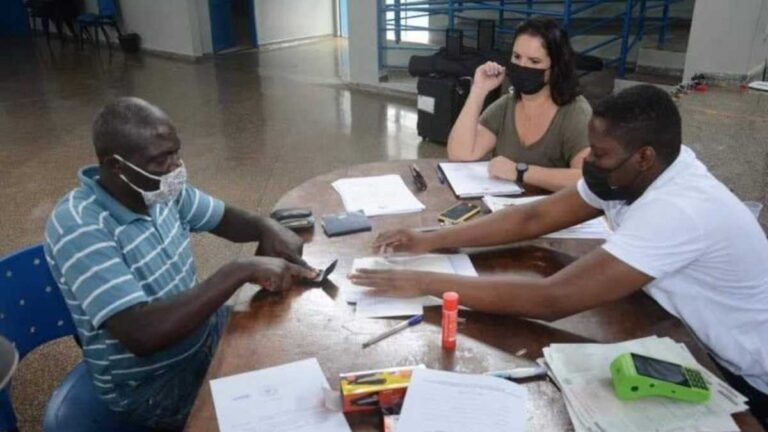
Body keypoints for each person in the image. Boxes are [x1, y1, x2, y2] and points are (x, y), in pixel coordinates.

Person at [351, 84, 768, 427]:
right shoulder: (635, 173)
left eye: (600, 155)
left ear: (644, 157)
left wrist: (426, 283)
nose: (589, 163)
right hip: (686, 330)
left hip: (745, 372)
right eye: (590, 149)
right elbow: (536, 216)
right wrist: (431, 240)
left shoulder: (677, 209)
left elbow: (551, 300)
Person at [44, 97, 318, 430]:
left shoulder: (158, 189)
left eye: (176, 152)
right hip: (151, 384)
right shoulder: (79, 226)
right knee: (279, 415)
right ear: (116, 166)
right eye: (161, 159)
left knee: (297, 360)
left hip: (201, 334)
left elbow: (226, 220)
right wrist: (239, 269)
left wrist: (266, 226)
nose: (176, 167)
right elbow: (142, 335)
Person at [447, 17, 592, 192]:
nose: (522, 66)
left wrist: (521, 172)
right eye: (517, 57)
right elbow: (459, 154)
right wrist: (478, 90)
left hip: (553, 212)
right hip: (507, 208)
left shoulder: (575, 112)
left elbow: (586, 179)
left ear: (555, 68)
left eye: (534, 61)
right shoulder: (506, 106)